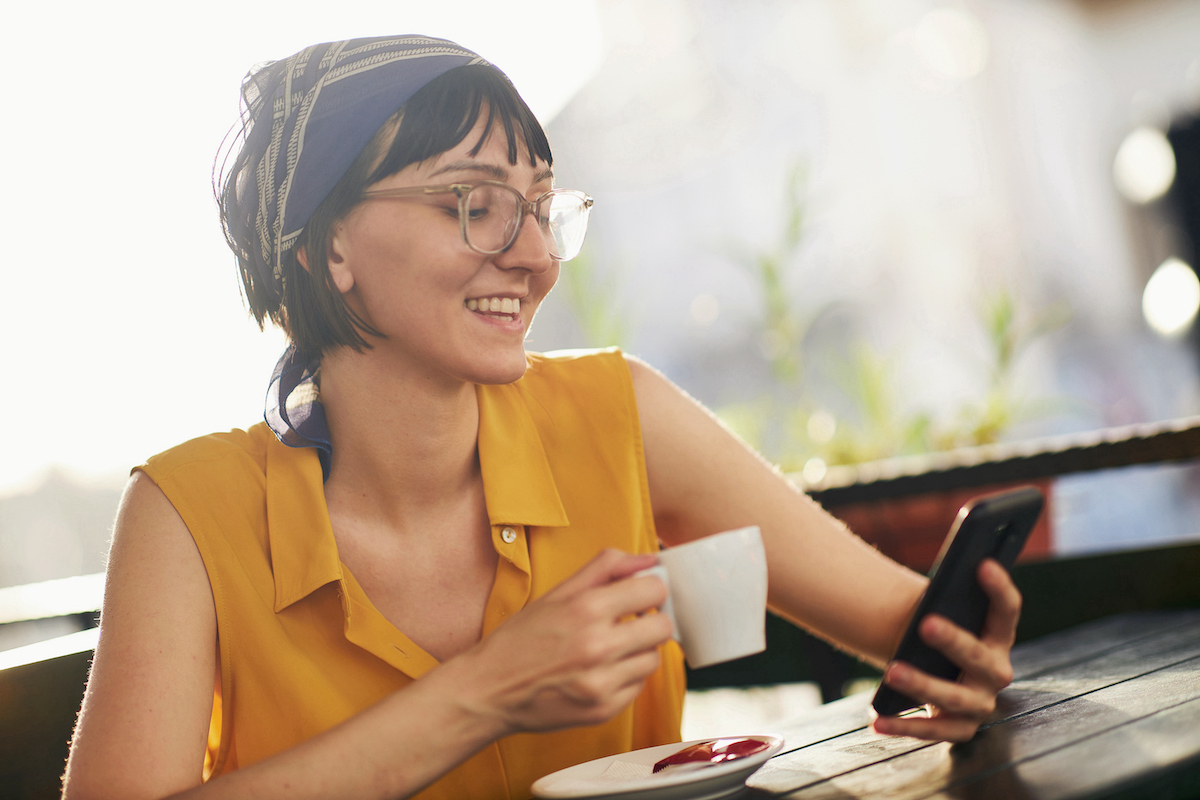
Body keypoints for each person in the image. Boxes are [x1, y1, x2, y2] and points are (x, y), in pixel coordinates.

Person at [60, 35, 1022, 800]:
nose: (533, 257)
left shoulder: (620, 415)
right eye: (473, 205)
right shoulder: (187, 514)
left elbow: (906, 628)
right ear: (329, 245)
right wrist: (487, 692)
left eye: (542, 207)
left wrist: (958, 653)